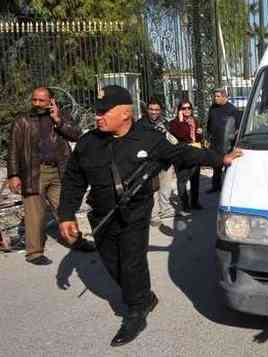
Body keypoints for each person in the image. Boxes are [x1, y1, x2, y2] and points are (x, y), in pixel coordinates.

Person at [57, 85, 242, 347]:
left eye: (104, 111)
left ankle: (135, 313)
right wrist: (66, 215)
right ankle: (144, 297)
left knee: (131, 261)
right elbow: (74, 179)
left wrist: (220, 158)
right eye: (97, 111)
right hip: (102, 215)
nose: (98, 116)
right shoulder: (88, 142)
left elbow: (184, 153)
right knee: (112, 262)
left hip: (135, 212)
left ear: (125, 113)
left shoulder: (149, 138)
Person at [6, 86, 94, 265]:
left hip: (59, 171)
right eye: (34, 100)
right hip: (33, 172)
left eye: (41, 100)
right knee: (34, 214)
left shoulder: (61, 117)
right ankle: (34, 253)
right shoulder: (22, 121)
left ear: (51, 101)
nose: (37, 103)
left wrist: (58, 120)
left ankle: (74, 240)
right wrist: (13, 175)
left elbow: (76, 136)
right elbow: (13, 150)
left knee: (64, 208)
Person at [137, 97, 179, 223]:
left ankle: (165, 210)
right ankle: (153, 214)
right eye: (151, 109)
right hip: (150, 162)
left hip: (165, 161)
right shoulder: (140, 124)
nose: (154, 112)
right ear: (147, 110)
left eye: (157, 109)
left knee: (165, 187)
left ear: (160, 110)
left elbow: (172, 141)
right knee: (152, 189)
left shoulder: (164, 123)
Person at [168, 99, 204, 212]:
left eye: (189, 108)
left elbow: (197, 139)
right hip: (182, 154)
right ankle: (185, 204)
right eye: (184, 108)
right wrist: (181, 121)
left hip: (195, 151)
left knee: (195, 178)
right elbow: (180, 135)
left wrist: (200, 134)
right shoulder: (174, 123)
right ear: (179, 110)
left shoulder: (194, 121)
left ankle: (195, 201)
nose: (187, 110)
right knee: (182, 179)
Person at [206, 89, 241, 193]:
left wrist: (233, 140)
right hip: (215, 142)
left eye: (218, 96)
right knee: (216, 166)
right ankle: (215, 186)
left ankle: (227, 188)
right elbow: (209, 124)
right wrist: (208, 137)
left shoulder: (232, 109)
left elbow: (237, 127)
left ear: (225, 97)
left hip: (227, 143)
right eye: (215, 96)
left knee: (227, 167)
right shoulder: (212, 108)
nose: (215, 98)